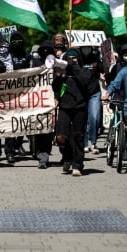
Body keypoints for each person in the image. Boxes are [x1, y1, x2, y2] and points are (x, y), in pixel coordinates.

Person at [53, 48, 94, 177]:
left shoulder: (84, 71)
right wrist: (60, 76)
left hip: (80, 107)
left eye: (74, 58)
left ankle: (78, 165)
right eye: (69, 58)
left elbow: (85, 83)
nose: (71, 60)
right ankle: (67, 157)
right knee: (60, 136)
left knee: (78, 136)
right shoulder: (63, 72)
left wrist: (74, 68)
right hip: (65, 107)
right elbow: (55, 87)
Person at [31, 40, 55, 169]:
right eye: (43, 50)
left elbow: (62, 83)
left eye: (48, 50)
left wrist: (58, 97)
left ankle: (45, 156)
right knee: (39, 131)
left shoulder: (57, 65)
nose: (45, 53)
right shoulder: (35, 64)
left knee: (48, 132)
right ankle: (40, 155)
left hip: (52, 103)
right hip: (37, 102)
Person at [81, 48, 103, 154]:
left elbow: (104, 69)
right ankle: (85, 144)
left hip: (94, 93)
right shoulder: (78, 59)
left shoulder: (95, 59)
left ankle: (93, 142)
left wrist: (98, 64)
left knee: (95, 118)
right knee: (83, 119)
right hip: (81, 93)